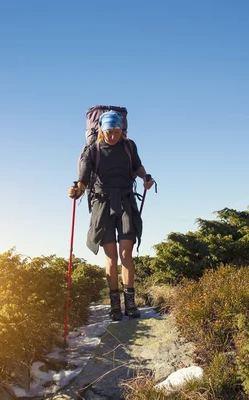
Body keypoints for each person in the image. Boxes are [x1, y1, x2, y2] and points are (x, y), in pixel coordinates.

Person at [68, 110, 154, 321]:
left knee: (126, 254)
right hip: (102, 205)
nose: (113, 136)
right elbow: (83, 179)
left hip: (125, 202)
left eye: (117, 131)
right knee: (111, 257)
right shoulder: (93, 150)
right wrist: (76, 191)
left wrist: (146, 177)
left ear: (121, 130)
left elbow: (137, 166)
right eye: (109, 132)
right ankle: (115, 306)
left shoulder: (129, 146)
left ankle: (130, 304)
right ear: (102, 131)